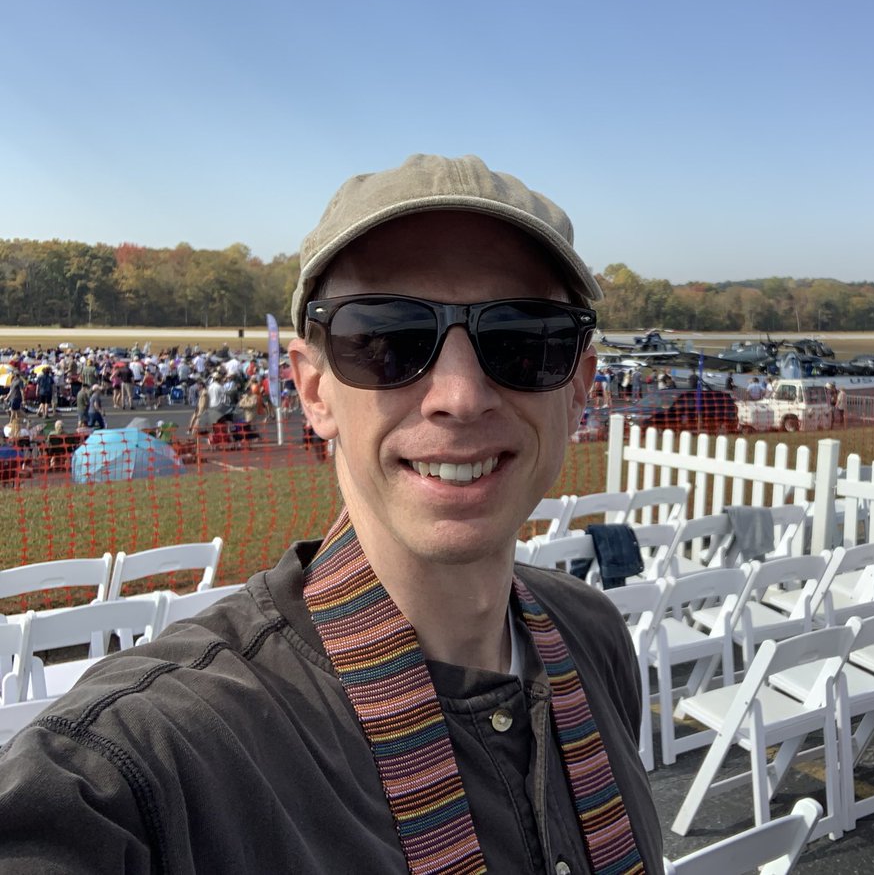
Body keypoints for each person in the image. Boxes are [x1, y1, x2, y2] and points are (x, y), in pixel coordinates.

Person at [0, 154, 663, 873]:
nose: (461, 395)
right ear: (313, 391)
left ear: (579, 387)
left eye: (525, 339)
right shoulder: (153, 760)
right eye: (386, 338)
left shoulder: (594, 636)